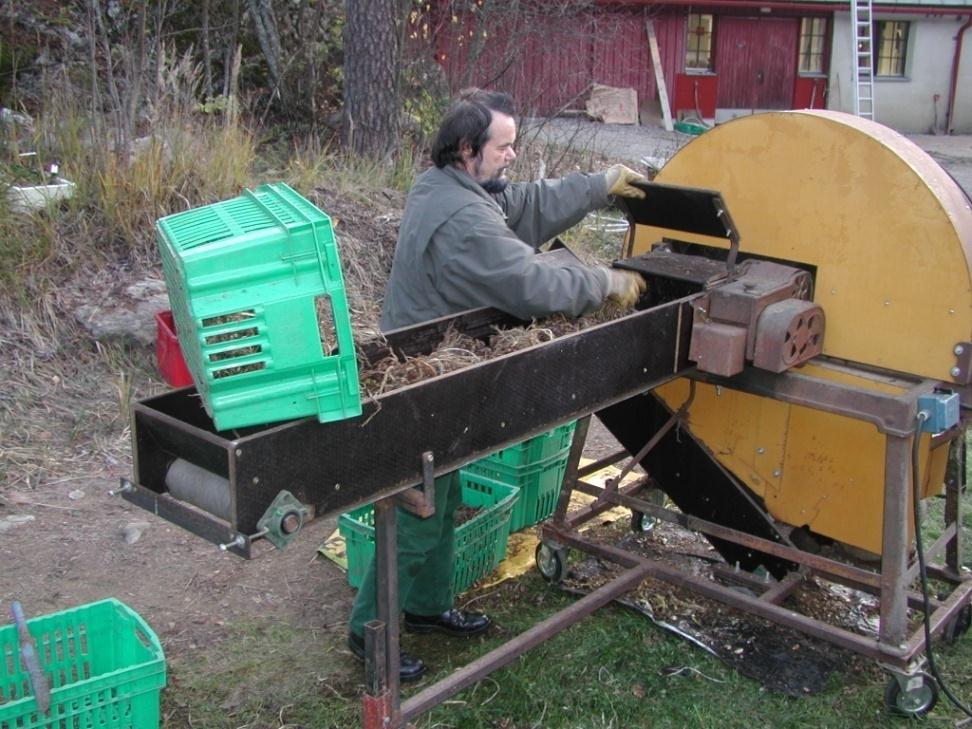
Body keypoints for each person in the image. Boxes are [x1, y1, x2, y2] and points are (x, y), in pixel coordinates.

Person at [347, 88, 648, 681]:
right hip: (424, 379)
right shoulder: (459, 218)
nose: (512, 157)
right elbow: (530, 282)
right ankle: (367, 633)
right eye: (503, 147)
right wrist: (604, 283)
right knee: (416, 509)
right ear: (466, 149)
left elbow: (525, 205)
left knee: (443, 498)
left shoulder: (452, 187)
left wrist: (599, 184)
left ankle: (427, 607)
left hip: (447, 365)